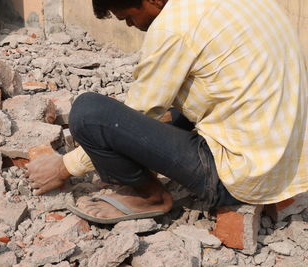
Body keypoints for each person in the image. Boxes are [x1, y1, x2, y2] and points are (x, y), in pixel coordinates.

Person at [26, 0, 308, 224]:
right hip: (289, 163)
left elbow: (138, 111)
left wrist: (64, 167)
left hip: (241, 177)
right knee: (174, 108)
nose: (132, 25)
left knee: (88, 113)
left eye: (128, 17)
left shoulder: (174, 26)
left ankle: (150, 197)